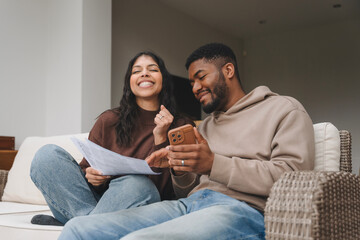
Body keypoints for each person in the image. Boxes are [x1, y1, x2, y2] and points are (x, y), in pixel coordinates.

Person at [58, 43, 315, 240]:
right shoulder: (208, 124)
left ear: (228, 70)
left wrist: (214, 163)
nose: (195, 87)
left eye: (201, 77)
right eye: (192, 81)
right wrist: (179, 168)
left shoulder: (283, 109)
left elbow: (294, 180)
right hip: (188, 205)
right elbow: (185, 190)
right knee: (78, 229)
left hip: (242, 211)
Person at [30, 51, 194, 226]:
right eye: (137, 71)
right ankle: (86, 224)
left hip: (145, 206)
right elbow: (85, 174)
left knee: (137, 185)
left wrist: (160, 137)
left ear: (164, 79)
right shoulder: (108, 120)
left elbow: (174, 191)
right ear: (129, 82)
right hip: (105, 203)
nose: (144, 73)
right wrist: (92, 177)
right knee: (46, 155)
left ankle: (75, 224)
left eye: (152, 69)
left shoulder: (182, 126)